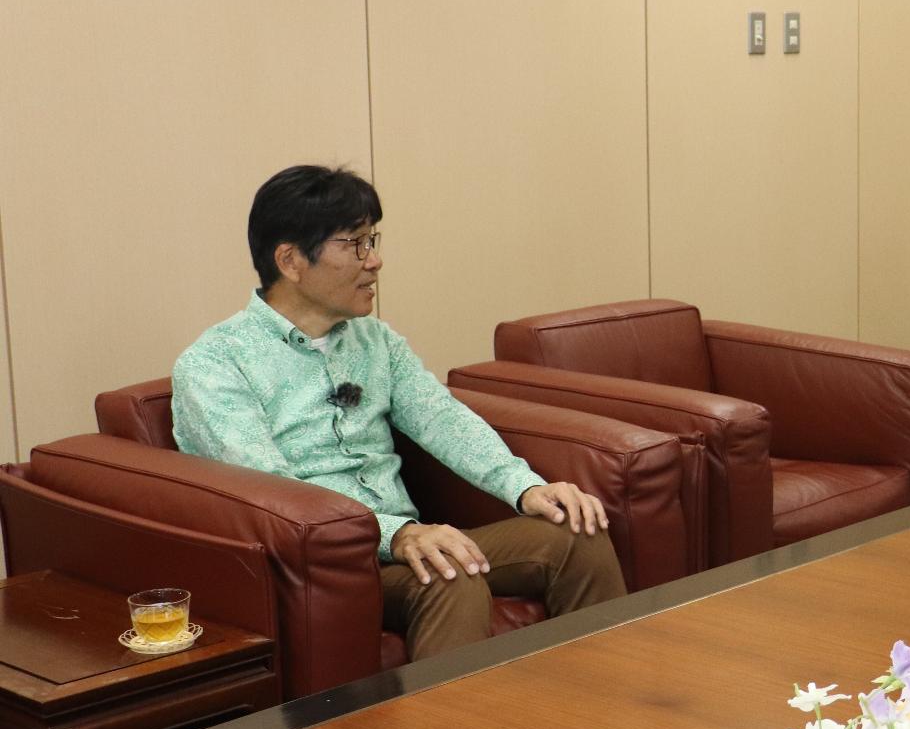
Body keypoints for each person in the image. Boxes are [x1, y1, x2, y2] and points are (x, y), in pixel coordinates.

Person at [173, 165, 626, 659]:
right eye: (356, 244)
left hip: (403, 545)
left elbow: (441, 419)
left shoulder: (376, 342)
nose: (376, 261)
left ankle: (603, 712)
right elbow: (275, 497)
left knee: (576, 535)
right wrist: (397, 534)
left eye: (373, 240)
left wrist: (525, 486)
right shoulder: (215, 365)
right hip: (320, 568)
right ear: (290, 260)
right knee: (449, 575)